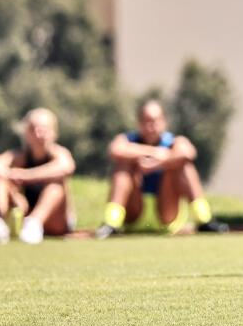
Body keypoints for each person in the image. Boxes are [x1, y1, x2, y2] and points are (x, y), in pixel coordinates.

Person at [94, 99, 228, 238]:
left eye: (155, 121)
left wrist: (159, 164)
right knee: (122, 166)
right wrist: (154, 152)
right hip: (134, 213)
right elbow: (115, 150)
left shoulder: (175, 141)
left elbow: (188, 153)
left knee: (183, 166)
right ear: (139, 123)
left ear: (164, 121)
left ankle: (204, 220)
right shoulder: (127, 139)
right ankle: (111, 223)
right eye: (146, 121)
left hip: (166, 214)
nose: (151, 126)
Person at [0, 108, 76, 244]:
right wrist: (10, 175)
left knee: (56, 185)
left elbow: (67, 167)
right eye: (33, 129)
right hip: (25, 212)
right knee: (1, 180)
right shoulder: (19, 156)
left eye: (43, 129)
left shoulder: (59, 154)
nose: (38, 134)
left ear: (54, 133)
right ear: (26, 133)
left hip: (57, 223)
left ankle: (34, 223)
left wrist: (25, 175)